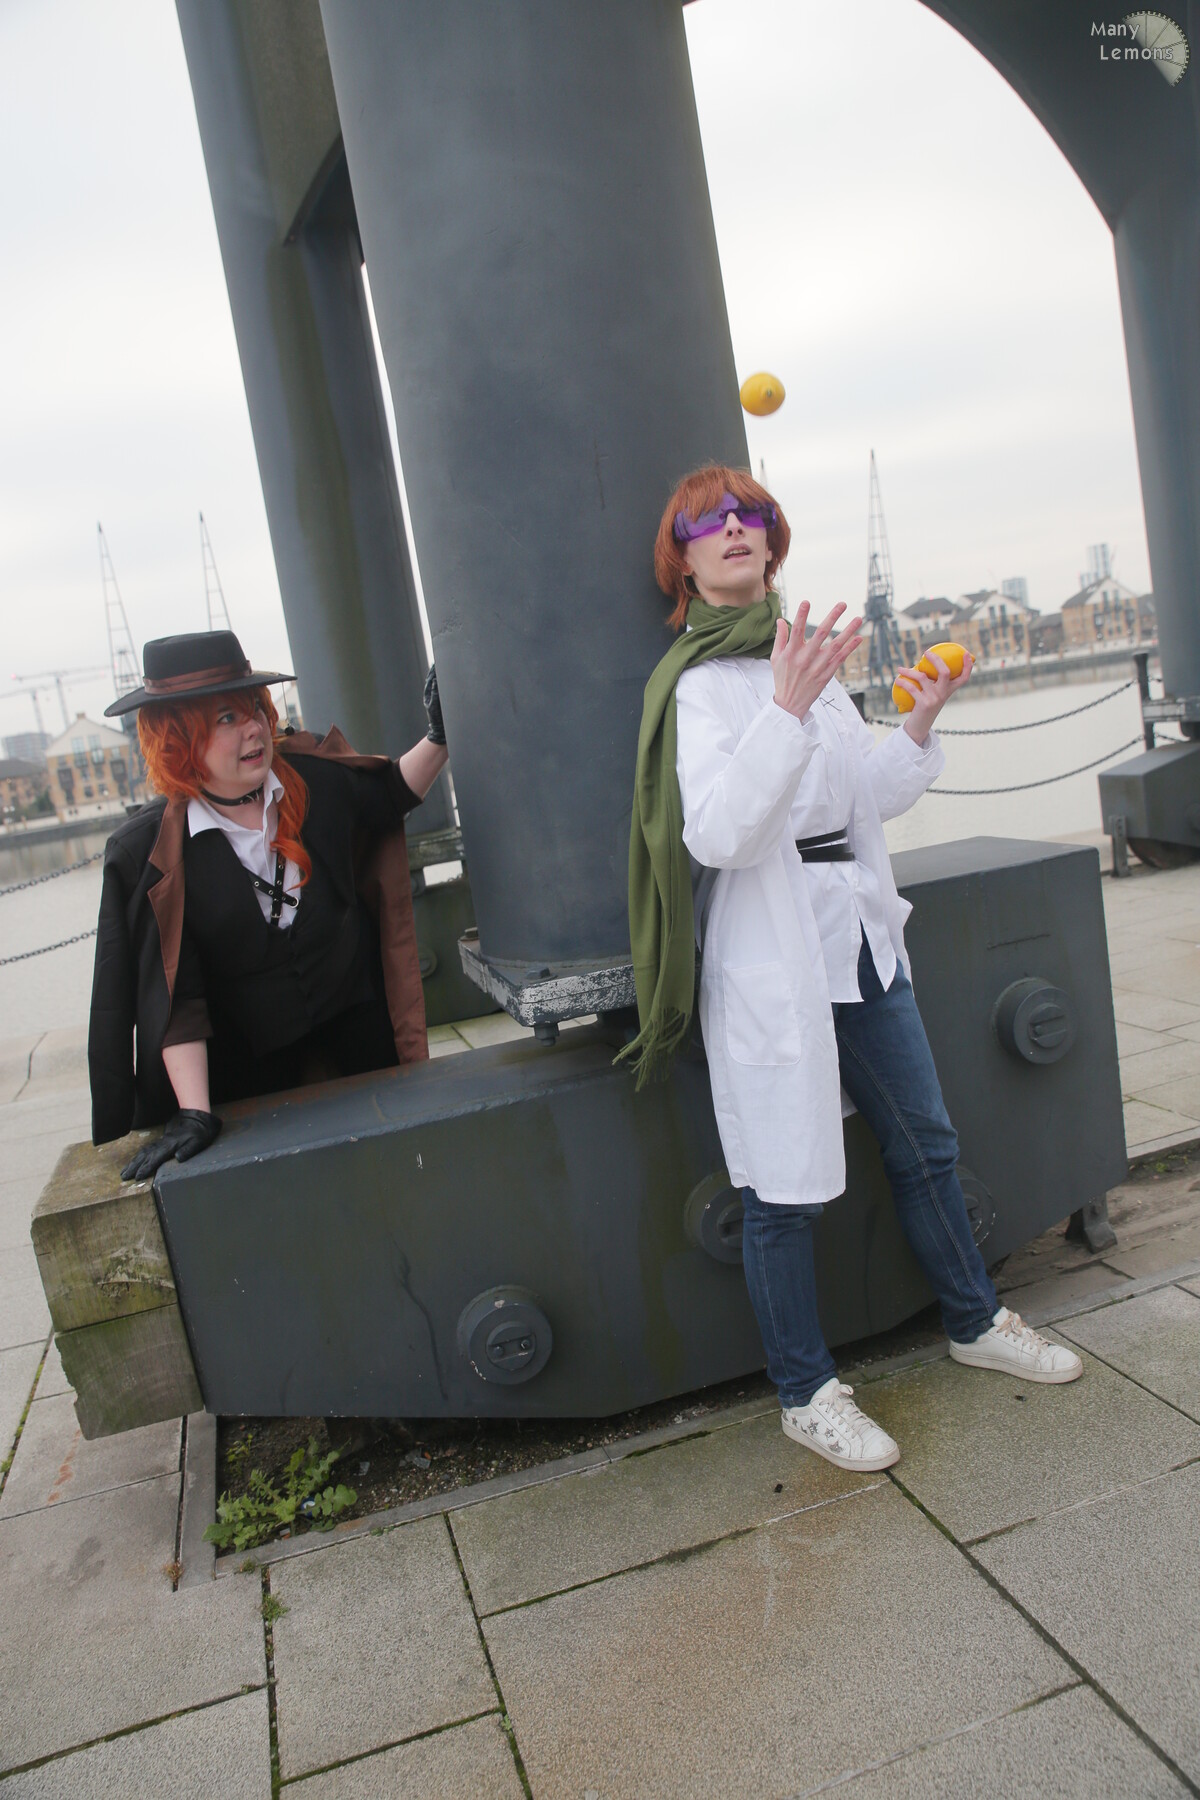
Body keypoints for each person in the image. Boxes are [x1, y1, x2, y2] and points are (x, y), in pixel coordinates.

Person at [623, 465, 1081, 1472]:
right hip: (774, 953)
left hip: (862, 942)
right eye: (710, 520)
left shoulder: (810, 661)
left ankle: (975, 1321)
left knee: (926, 1145)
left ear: (772, 540)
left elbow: (860, 796)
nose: (735, 527)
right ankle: (805, 1392)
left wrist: (917, 723)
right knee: (781, 1187)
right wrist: (783, 711)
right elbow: (718, 835)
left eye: (751, 513)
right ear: (683, 559)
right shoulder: (698, 686)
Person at [89, 629, 449, 1181]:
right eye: (225, 719)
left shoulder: (313, 780)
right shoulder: (156, 855)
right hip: (253, 1080)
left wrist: (440, 734)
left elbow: (389, 793)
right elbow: (177, 996)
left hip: (363, 1053)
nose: (254, 728)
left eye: (254, 709)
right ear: (178, 740)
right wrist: (195, 1112)